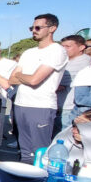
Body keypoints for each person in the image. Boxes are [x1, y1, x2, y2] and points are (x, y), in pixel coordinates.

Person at [9, 14, 68, 163]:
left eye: (38, 27)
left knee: (39, 152)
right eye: (32, 28)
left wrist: (22, 76)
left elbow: (35, 80)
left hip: (40, 106)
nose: (33, 31)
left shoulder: (57, 50)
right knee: (24, 151)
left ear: (52, 28)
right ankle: (23, 181)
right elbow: (12, 79)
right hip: (21, 104)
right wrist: (26, 77)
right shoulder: (29, 53)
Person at [55, 35, 91, 132]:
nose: (64, 49)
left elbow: (57, 85)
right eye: (62, 46)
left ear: (81, 47)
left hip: (68, 108)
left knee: (64, 138)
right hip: (60, 105)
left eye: (68, 46)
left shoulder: (83, 63)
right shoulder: (67, 61)